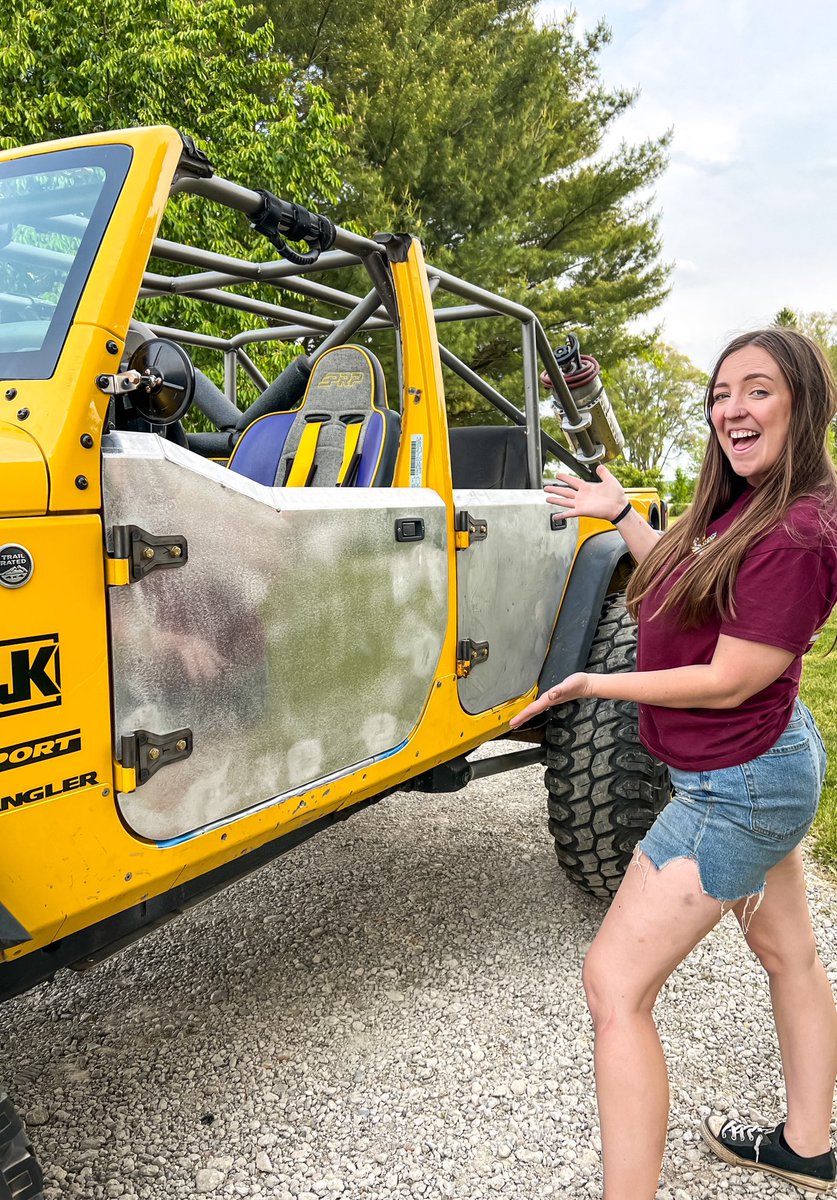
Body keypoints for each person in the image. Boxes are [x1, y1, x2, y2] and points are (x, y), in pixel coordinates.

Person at [510, 328, 837, 1198]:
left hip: (737, 785)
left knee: (612, 984)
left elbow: (730, 680)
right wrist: (622, 516)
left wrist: (595, 682)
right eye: (721, 392)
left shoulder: (797, 532)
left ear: (802, 403)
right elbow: (681, 592)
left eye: (757, 389)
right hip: (765, 762)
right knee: (789, 956)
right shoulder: (745, 505)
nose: (731, 407)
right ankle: (807, 1146)